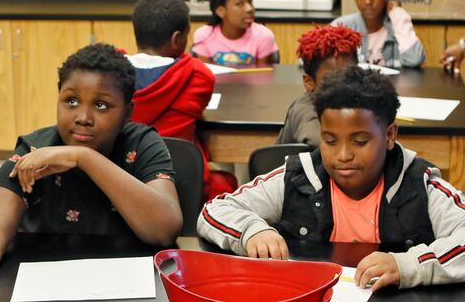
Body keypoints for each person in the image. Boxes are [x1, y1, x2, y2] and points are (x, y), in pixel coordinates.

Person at [0, 43, 183, 301]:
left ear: (127, 114)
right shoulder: (34, 150)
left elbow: (164, 230)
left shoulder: (141, 144)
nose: (83, 117)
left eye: (101, 105)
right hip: (48, 287)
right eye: (71, 101)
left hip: (128, 289)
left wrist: (84, 157)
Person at [198, 66, 465, 291]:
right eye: (330, 141)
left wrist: (408, 265)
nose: (343, 155)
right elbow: (214, 211)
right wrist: (252, 230)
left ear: (390, 135)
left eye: (360, 141)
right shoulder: (299, 178)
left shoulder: (420, 185)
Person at [127, 0, 236, 199]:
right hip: (182, 185)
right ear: (177, 39)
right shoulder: (196, 75)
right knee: (226, 184)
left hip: (123, 182)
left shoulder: (112, 73)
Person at [276, 24, 362, 147]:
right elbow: (323, 144)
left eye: (350, 74)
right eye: (332, 78)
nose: (344, 84)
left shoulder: (355, 100)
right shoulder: (306, 109)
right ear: (309, 82)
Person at [191, 0, 279, 67]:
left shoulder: (264, 36)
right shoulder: (203, 36)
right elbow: (206, 76)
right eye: (240, 3)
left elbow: (263, 77)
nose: (250, 8)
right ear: (221, 11)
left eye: (250, 2)